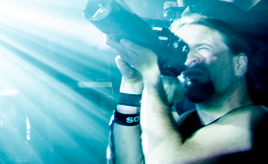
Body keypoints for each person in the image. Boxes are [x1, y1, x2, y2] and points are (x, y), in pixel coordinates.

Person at [108, 13, 268, 162]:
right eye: (182, 51)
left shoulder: (258, 119)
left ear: (239, 64)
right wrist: (132, 84)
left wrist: (150, 72)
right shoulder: (185, 121)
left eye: (203, 48)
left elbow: (166, 161)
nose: (189, 58)